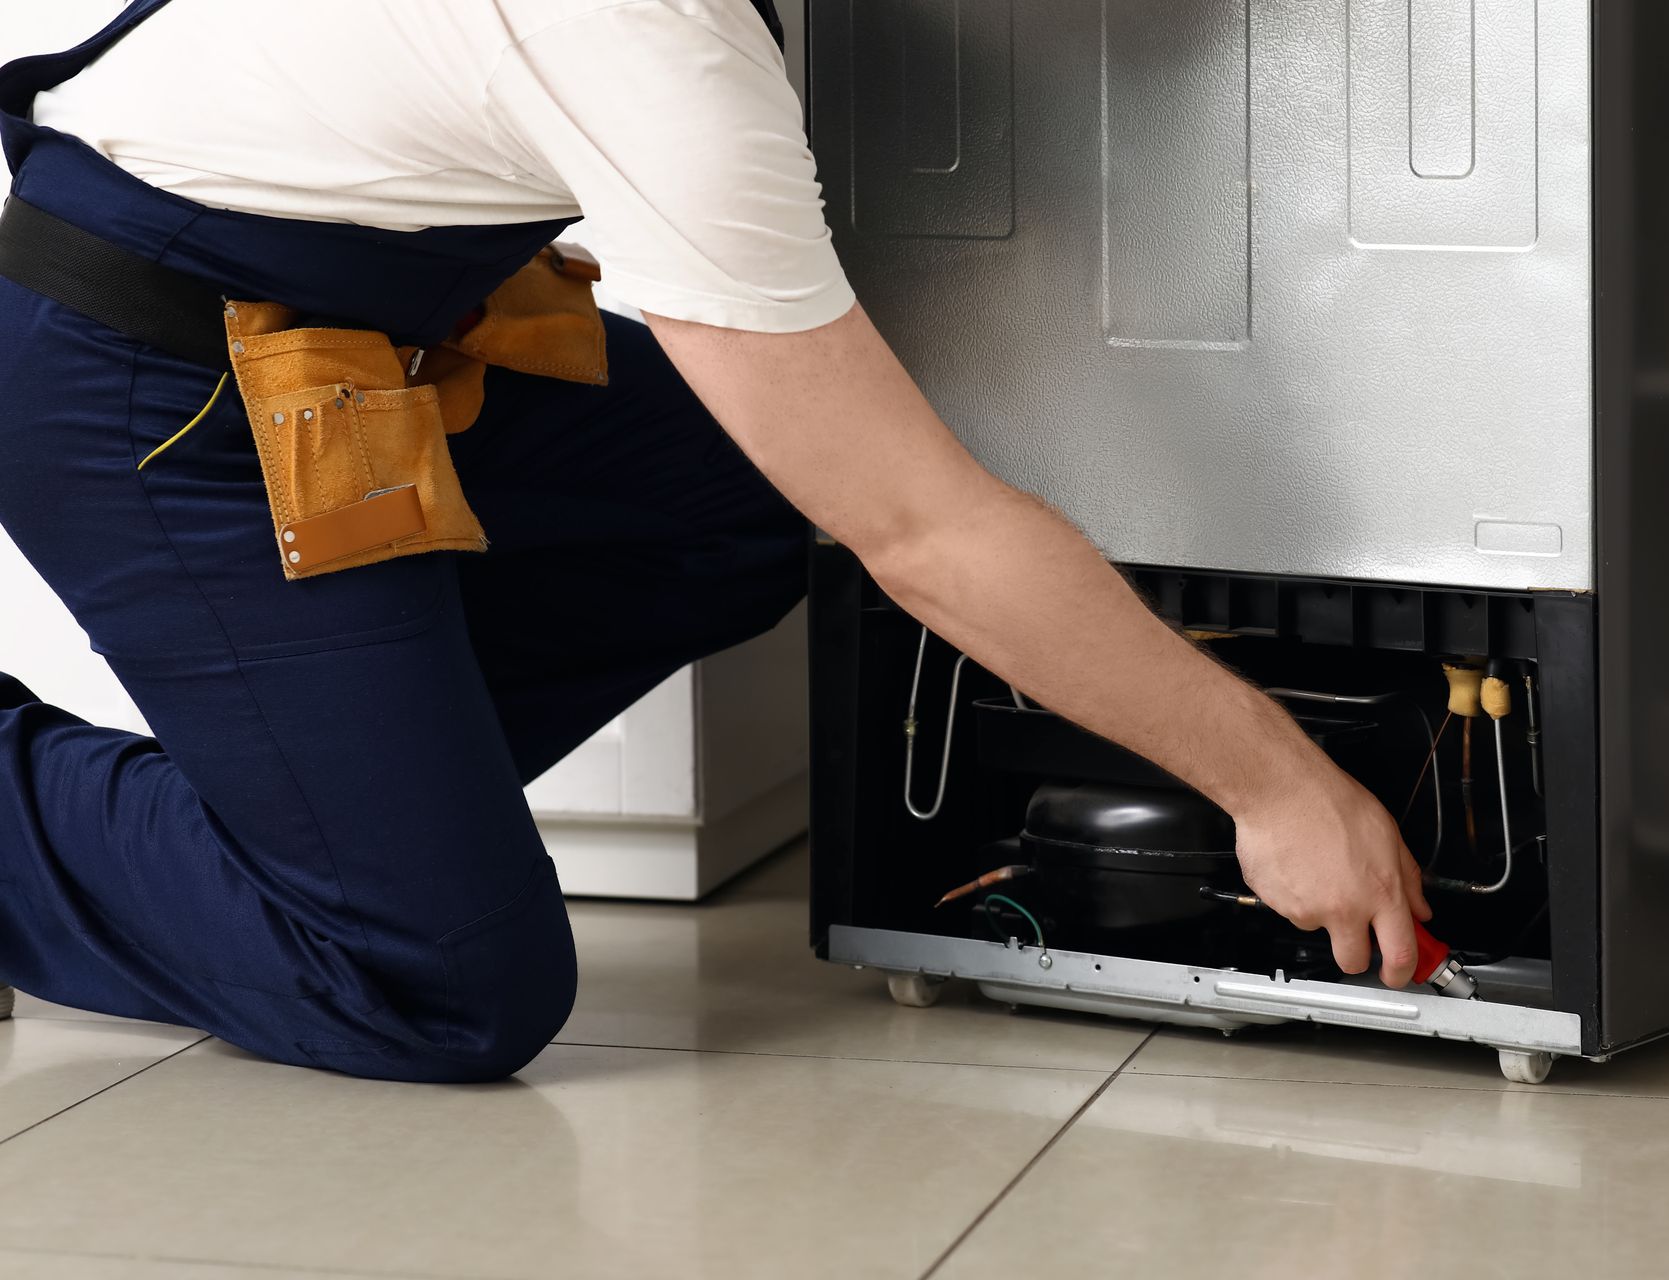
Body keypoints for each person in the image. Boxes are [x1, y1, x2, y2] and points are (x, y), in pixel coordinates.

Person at [0, 0, 1428, 1083]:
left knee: (735, 503)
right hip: (153, 388)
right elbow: (917, 529)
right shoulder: (646, 41)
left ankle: (341, 809)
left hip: (352, 357)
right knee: (443, 980)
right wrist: (1276, 785)